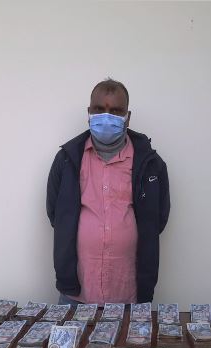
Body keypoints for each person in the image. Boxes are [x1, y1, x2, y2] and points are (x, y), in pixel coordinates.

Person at [47, 78, 170, 306]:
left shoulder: (151, 164)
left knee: (129, 334)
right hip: (77, 293)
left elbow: (158, 219)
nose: (106, 117)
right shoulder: (66, 160)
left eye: (115, 111)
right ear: (89, 113)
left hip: (129, 292)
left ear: (127, 117)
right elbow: (56, 214)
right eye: (99, 109)